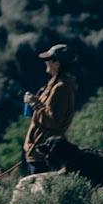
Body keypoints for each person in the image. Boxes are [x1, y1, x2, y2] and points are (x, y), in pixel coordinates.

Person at [22, 44, 77, 174]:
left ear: (57, 63)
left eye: (49, 59)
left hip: (44, 153)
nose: (45, 62)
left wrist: (35, 104)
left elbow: (53, 121)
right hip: (38, 151)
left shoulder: (61, 88)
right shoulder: (55, 84)